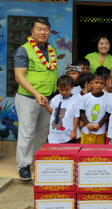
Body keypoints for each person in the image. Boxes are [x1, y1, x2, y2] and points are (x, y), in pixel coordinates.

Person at [14, 18, 58, 180]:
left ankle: (37, 161)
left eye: (46, 29)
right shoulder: (23, 50)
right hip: (29, 98)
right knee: (27, 132)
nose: (43, 32)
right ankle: (24, 165)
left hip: (47, 99)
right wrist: (35, 94)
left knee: (42, 133)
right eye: (39, 29)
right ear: (32, 31)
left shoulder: (51, 50)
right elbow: (19, 76)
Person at [45, 76, 79, 143]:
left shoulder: (76, 99)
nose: (64, 92)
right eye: (61, 89)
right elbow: (53, 113)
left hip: (68, 134)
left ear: (72, 87)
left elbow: (76, 117)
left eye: (67, 89)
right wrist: (46, 105)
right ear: (57, 88)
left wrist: (74, 131)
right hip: (54, 134)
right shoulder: (55, 98)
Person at [80, 72, 109, 144]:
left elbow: (108, 113)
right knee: (85, 152)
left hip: (101, 131)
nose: (99, 85)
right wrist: (87, 123)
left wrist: (99, 125)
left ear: (105, 84)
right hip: (87, 131)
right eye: (96, 82)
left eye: (101, 83)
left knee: (99, 152)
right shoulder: (86, 97)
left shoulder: (108, 97)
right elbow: (81, 111)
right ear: (91, 83)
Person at [76, 73, 93, 143]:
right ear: (87, 84)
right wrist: (79, 120)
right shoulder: (78, 97)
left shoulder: (93, 96)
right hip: (82, 128)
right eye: (92, 83)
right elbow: (76, 111)